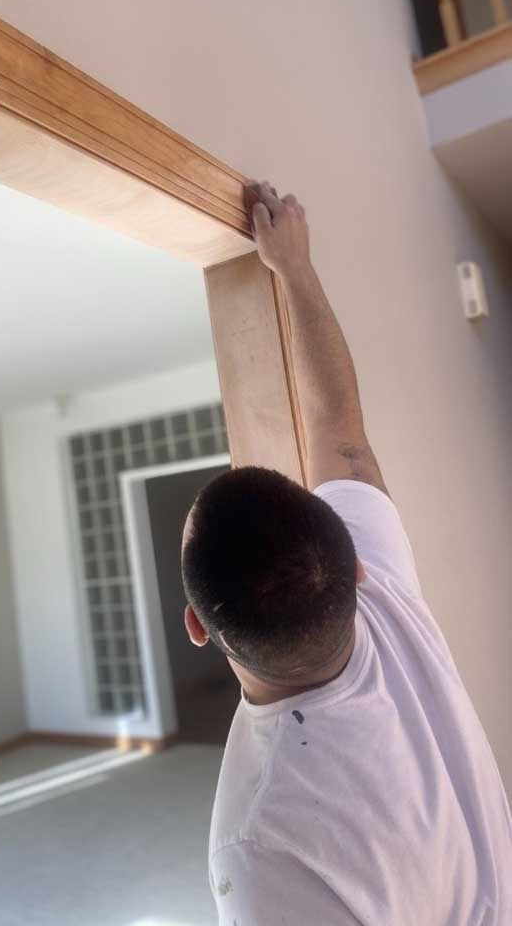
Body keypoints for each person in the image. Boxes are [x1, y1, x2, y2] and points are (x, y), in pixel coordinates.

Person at [180, 182, 512, 925]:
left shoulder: (260, 847)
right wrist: (295, 268)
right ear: (357, 568)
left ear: (200, 627)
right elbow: (344, 437)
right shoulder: (385, 596)